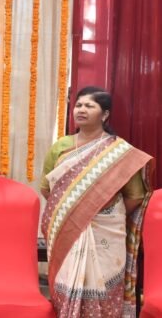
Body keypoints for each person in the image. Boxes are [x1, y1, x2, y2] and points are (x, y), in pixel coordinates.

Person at [41, 87, 153, 317]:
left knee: (104, 286)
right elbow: (47, 188)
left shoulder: (119, 151)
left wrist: (98, 211)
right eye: (78, 105)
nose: (81, 110)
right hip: (67, 227)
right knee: (66, 283)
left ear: (105, 114)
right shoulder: (61, 146)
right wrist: (74, 211)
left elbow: (134, 196)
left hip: (107, 231)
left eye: (89, 106)